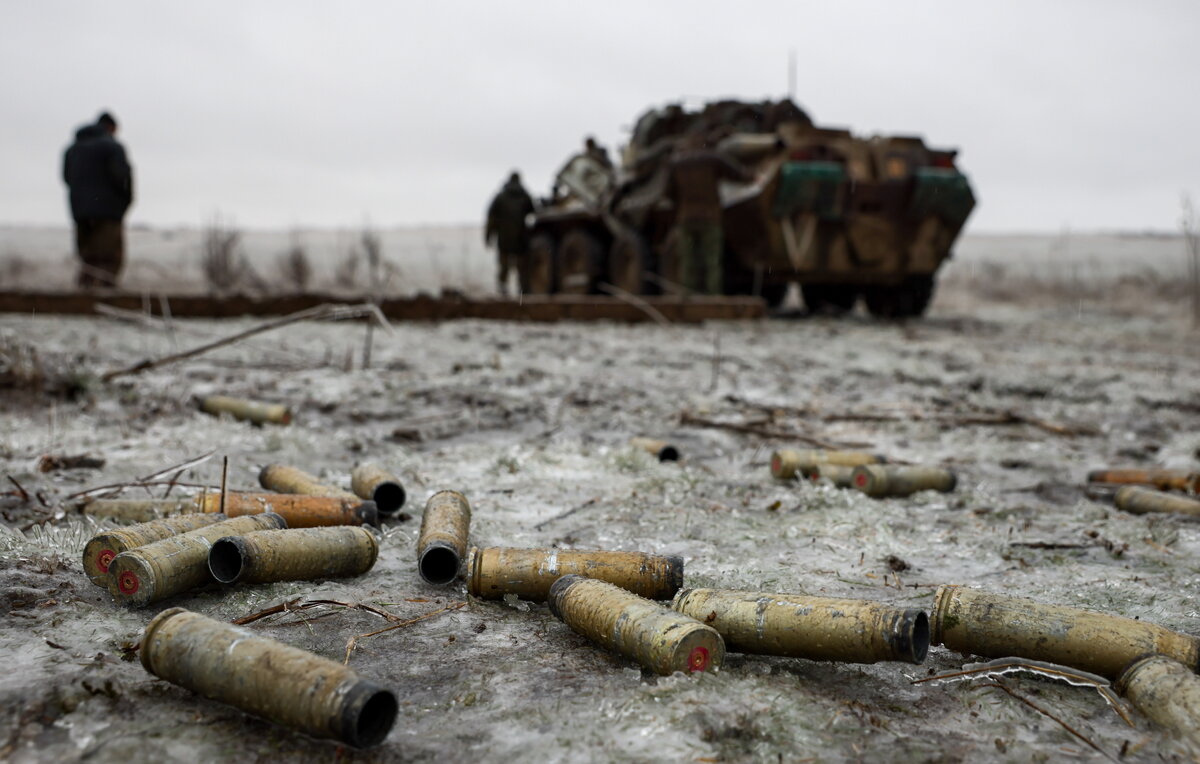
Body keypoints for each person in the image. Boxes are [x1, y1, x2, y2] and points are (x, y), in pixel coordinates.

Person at [664, 134, 753, 295]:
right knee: (712, 261)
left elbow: (668, 193)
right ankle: (712, 299)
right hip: (710, 218)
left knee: (688, 261)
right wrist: (754, 175)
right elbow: (740, 175)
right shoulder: (713, 159)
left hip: (686, 218)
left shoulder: (677, 163)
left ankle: (689, 300)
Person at [62, 111, 134, 288]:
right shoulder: (113, 147)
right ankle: (106, 298)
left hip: (80, 212)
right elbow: (122, 177)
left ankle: (83, 296)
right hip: (109, 212)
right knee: (108, 259)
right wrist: (125, 201)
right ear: (110, 127)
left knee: (88, 258)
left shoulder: (72, 149)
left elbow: (66, 177)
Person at [485, 172, 535, 295]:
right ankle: (523, 294)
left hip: (504, 238)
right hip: (520, 239)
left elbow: (491, 218)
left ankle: (503, 291)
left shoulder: (501, 197)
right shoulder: (525, 196)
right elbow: (534, 214)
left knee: (504, 268)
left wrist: (488, 236)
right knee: (522, 269)